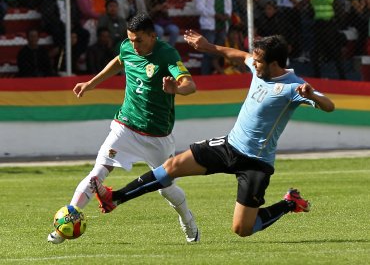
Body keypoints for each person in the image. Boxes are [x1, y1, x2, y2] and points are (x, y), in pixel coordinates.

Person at [90, 31, 335, 238]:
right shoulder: (259, 66)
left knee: (242, 229)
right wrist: (207, 47)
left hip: (256, 164)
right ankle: (116, 198)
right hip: (229, 145)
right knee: (173, 165)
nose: (253, 63)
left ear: (274, 64)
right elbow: (238, 55)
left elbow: (329, 105)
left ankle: (290, 202)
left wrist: (312, 95)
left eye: (259, 61)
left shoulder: (294, 86)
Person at [47, 13, 199, 244]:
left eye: (139, 40)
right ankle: (65, 224)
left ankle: (188, 219)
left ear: (152, 36)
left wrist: (175, 89)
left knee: (166, 189)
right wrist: (91, 83)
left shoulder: (167, 54)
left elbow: (190, 86)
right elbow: (120, 61)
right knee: (97, 174)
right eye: (130, 39)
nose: (134, 45)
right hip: (125, 125)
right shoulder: (128, 47)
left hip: (157, 135)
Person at [309, 0, 347, 79]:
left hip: (318, 26)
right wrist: (339, 23)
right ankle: (342, 76)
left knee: (316, 51)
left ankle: (317, 75)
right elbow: (338, 11)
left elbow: (310, 12)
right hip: (330, 25)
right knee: (335, 51)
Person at [196, 0, 232, 74]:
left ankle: (216, 75)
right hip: (209, 26)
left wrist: (227, 15)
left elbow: (229, 8)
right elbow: (199, 7)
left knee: (218, 53)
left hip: (222, 26)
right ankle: (205, 76)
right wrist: (214, 15)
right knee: (208, 52)